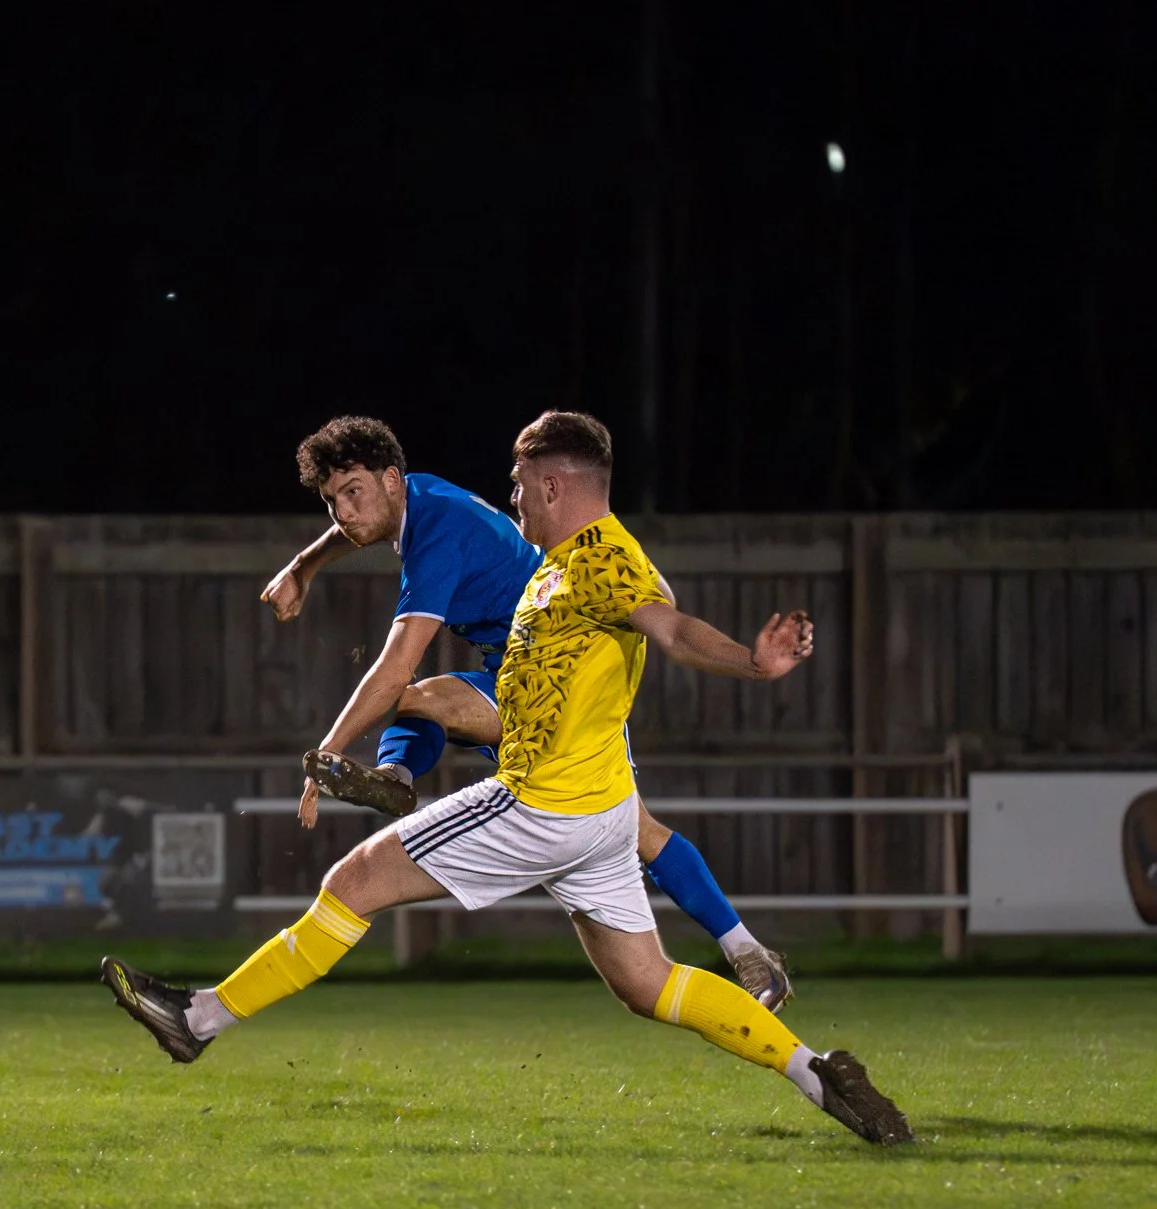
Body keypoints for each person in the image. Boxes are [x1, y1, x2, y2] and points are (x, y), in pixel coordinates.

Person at [104, 411, 912, 1147]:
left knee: (351, 880)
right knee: (648, 982)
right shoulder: (559, 563)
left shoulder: (604, 563)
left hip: (539, 803)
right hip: (597, 813)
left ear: (554, 486)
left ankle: (199, 1017)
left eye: (521, 485)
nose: (512, 497)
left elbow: (670, 627)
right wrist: (309, 563)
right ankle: (819, 1071)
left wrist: (752, 661)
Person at [256, 415, 794, 1010]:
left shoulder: (441, 535)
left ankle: (398, 777)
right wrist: (302, 567)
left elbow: (392, 669)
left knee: (406, 692)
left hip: (549, 685)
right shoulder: (418, 494)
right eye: (332, 501)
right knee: (642, 835)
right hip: (526, 677)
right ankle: (748, 952)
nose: (343, 513)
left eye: (351, 493)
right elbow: (356, 526)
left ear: (390, 479)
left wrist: (328, 752)